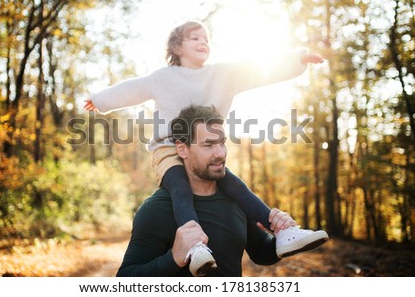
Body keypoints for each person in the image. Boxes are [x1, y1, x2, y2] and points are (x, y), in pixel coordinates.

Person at [85, 20, 329, 276]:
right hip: (167, 149)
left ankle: (283, 231)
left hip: (204, 149)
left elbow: (258, 69)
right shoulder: (162, 77)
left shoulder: (223, 74)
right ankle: (195, 246)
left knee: (237, 187)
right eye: (194, 38)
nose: (203, 42)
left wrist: (297, 58)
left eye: (206, 39)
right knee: (179, 187)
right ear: (177, 47)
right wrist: (99, 100)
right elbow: (131, 89)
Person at [117, 105, 298, 276]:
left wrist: (280, 236)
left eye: (222, 143)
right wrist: (174, 258)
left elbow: (261, 252)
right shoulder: (156, 209)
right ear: (182, 149)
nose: (220, 153)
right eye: (208, 145)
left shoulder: (236, 200)